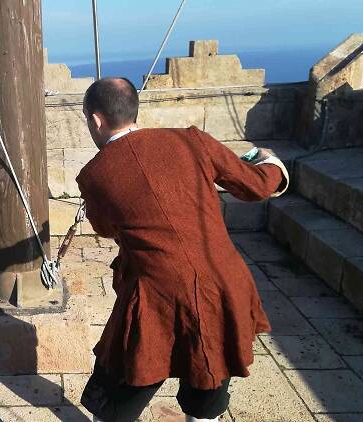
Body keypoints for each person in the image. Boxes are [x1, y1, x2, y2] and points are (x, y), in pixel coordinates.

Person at [76, 78, 289, 422]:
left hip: (157, 295)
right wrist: (271, 162)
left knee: (128, 374)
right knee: (208, 372)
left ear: (96, 120)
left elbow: (105, 228)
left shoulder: (95, 175)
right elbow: (257, 185)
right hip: (223, 282)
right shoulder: (190, 139)